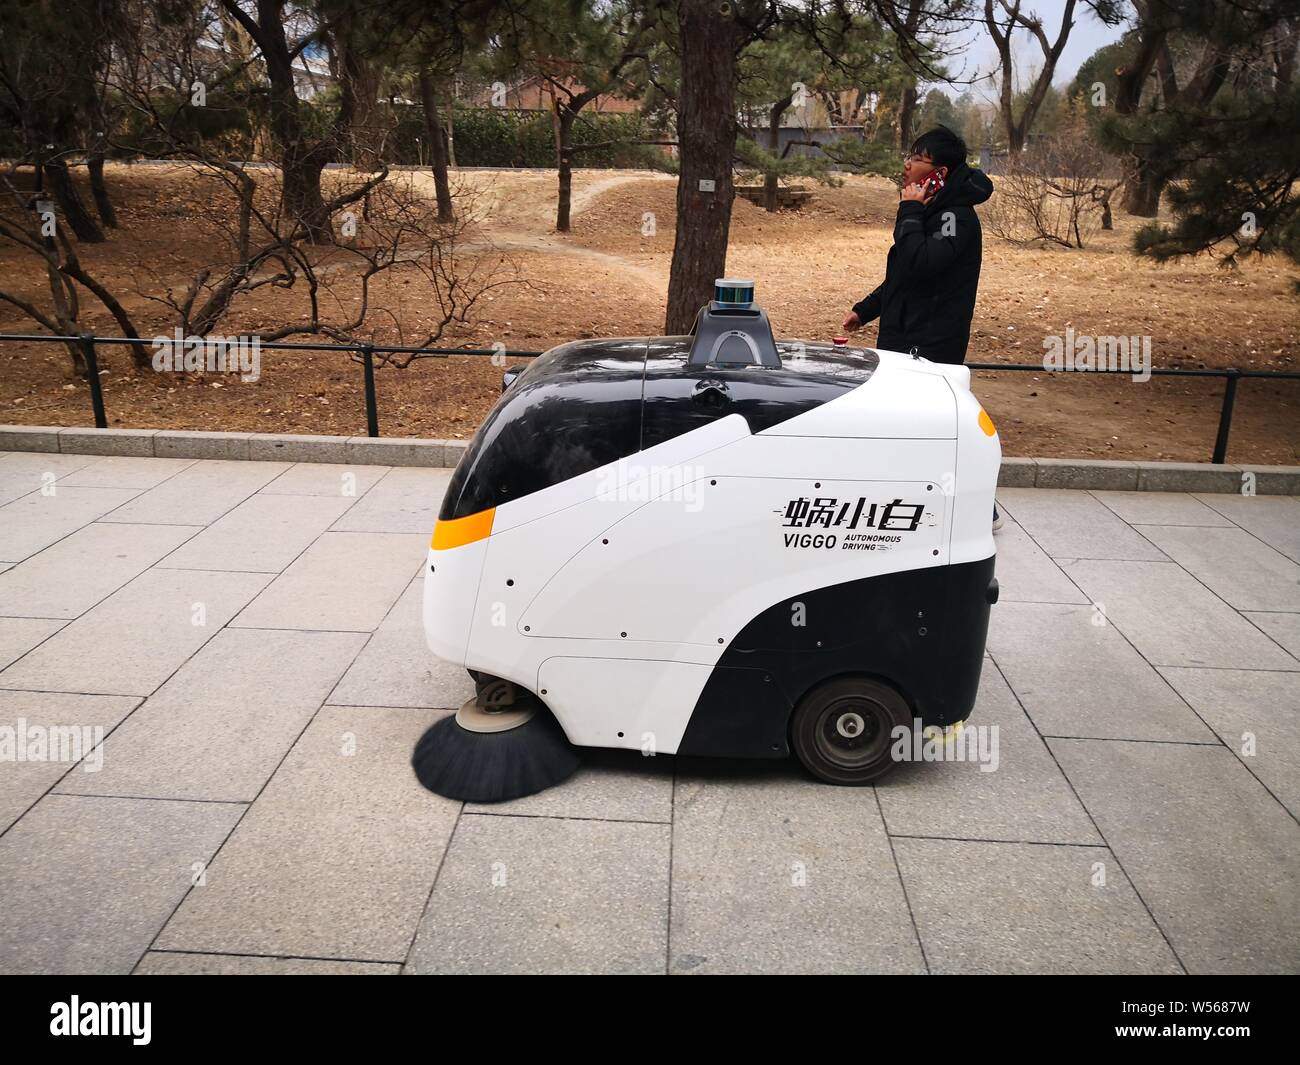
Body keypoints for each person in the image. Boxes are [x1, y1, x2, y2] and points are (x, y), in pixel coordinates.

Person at [842, 125, 1002, 529]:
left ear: (940, 172)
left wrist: (910, 210)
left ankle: (979, 507)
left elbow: (922, 262)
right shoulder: (934, 210)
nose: (907, 165)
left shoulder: (954, 217)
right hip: (903, 336)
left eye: (917, 158)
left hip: (929, 344)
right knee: (905, 424)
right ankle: (898, 495)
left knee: (935, 427)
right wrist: (866, 310)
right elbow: (904, 275)